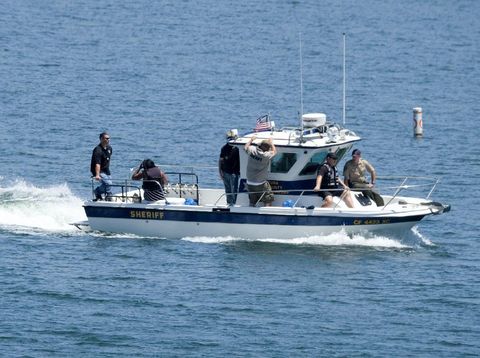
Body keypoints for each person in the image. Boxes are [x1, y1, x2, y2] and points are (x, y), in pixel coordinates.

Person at [244, 136, 277, 206]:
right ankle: (267, 214)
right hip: (260, 183)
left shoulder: (252, 150)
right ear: (267, 149)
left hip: (249, 182)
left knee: (252, 201)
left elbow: (245, 147)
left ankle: (251, 213)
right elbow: (274, 152)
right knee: (268, 198)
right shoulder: (265, 155)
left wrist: (251, 140)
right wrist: (271, 143)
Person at [218, 130, 240, 206]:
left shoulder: (238, 149)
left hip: (234, 173)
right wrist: (220, 172)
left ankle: (234, 203)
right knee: (228, 189)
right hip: (225, 172)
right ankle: (229, 203)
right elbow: (220, 160)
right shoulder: (224, 148)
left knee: (234, 189)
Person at [90, 132, 113, 201]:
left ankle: (106, 194)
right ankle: (99, 192)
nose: (108, 140)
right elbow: (97, 163)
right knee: (108, 183)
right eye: (106, 138)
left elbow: (107, 159)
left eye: (109, 138)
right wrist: (97, 175)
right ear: (101, 139)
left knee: (109, 184)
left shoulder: (109, 148)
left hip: (106, 170)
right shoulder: (97, 150)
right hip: (98, 170)